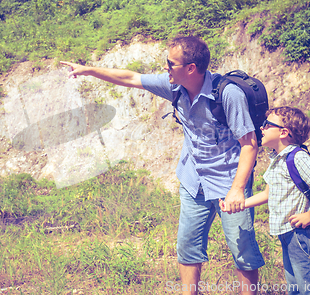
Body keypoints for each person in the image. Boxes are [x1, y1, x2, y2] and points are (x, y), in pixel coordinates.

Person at [61, 36, 264, 295]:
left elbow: (249, 144)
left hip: (228, 183)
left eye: (170, 63)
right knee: (188, 248)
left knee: (243, 250)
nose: (165, 67)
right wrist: (88, 70)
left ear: (191, 68)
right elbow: (131, 78)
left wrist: (237, 189)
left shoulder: (227, 95)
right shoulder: (175, 87)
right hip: (194, 182)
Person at [221, 106, 310, 295]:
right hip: (288, 233)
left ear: (284, 132)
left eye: (267, 125)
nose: (261, 128)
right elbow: (268, 194)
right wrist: (237, 205)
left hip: (303, 234)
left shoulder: (297, 157)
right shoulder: (278, 159)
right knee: (296, 289)